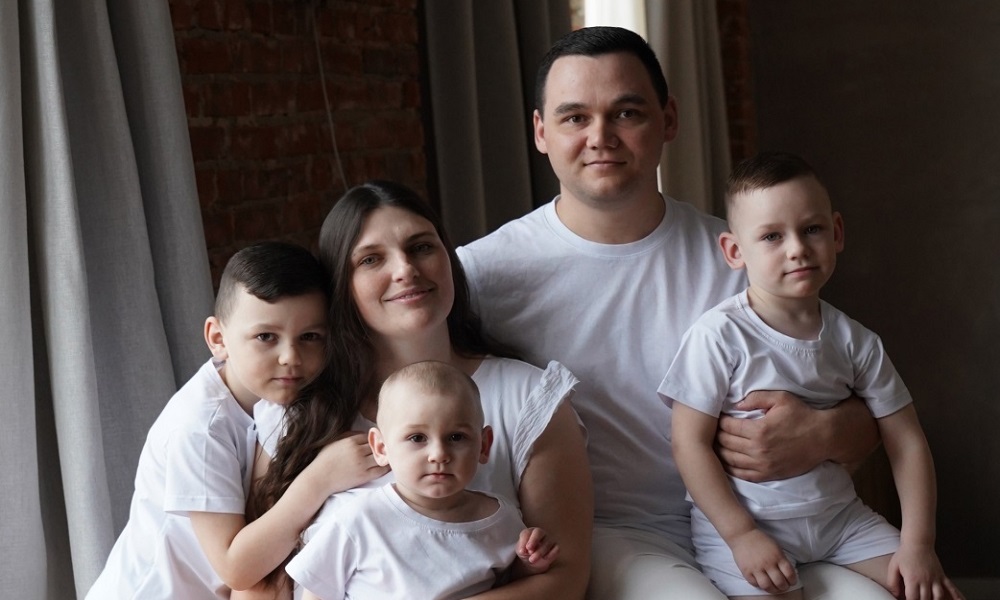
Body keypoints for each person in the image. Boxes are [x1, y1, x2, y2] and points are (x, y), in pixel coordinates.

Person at [456, 26, 886, 599]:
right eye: (575, 117)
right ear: (540, 132)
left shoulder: (742, 255)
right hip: (610, 534)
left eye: (626, 113)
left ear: (669, 119)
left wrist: (823, 431)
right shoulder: (481, 275)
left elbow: (869, 402)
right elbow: (404, 397)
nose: (600, 137)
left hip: (763, 524)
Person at [251, 180, 592, 599]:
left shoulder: (528, 398)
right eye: (372, 259)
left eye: (421, 247)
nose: (405, 270)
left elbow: (564, 580)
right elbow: (257, 583)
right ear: (342, 284)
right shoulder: (301, 409)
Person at [660, 151, 963, 600]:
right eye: (772, 236)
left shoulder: (856, 341)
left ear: (836, 232)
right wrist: (741, 535)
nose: (797, 248)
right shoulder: (718, 336)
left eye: (812, 229)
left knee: (931, 591)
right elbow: (688, 444)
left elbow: (907, 440)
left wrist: (918, 544)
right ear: (734, 251)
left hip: (839, 520)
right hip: (748, 525)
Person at [86, 242, 349, 599]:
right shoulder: (200, 427)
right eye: (266, 337)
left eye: (310, 337)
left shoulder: (280, 403)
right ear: (218, 338)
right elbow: (233, 567)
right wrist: (322, 478)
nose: (291, 356)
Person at [285, 360, 559, 599]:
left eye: (456, 437)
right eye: (417, 438)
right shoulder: (359, 519)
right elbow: (317, 591)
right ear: (381, 447)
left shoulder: (502, 519)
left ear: (484, 445)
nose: (439, 454)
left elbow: (511, 585)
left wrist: (529, 564)